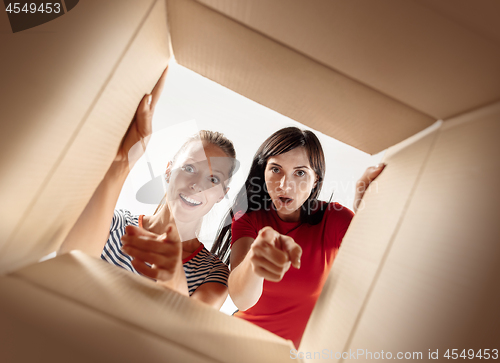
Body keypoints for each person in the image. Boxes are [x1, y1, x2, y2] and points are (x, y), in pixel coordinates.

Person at [58, 67, 236, 309]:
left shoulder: (213, 275)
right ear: (168, 171)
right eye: (190, 168)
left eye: (213, 180)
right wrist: (122, 162)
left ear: (221, 195)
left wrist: (173, 279)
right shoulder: (114, 224)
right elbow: (67, 265)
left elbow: (185, 333)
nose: (196, 185)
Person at [211, 127, 384, 347]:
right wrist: (255, 260)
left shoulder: (334, 219)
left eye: (300, 172)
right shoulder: (248, 217)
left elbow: (377, 266)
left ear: (315, 181)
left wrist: (366, 215)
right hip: (239, 345)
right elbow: (242, 300)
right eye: (276, 169)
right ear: (263, 172)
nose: (285, 184)